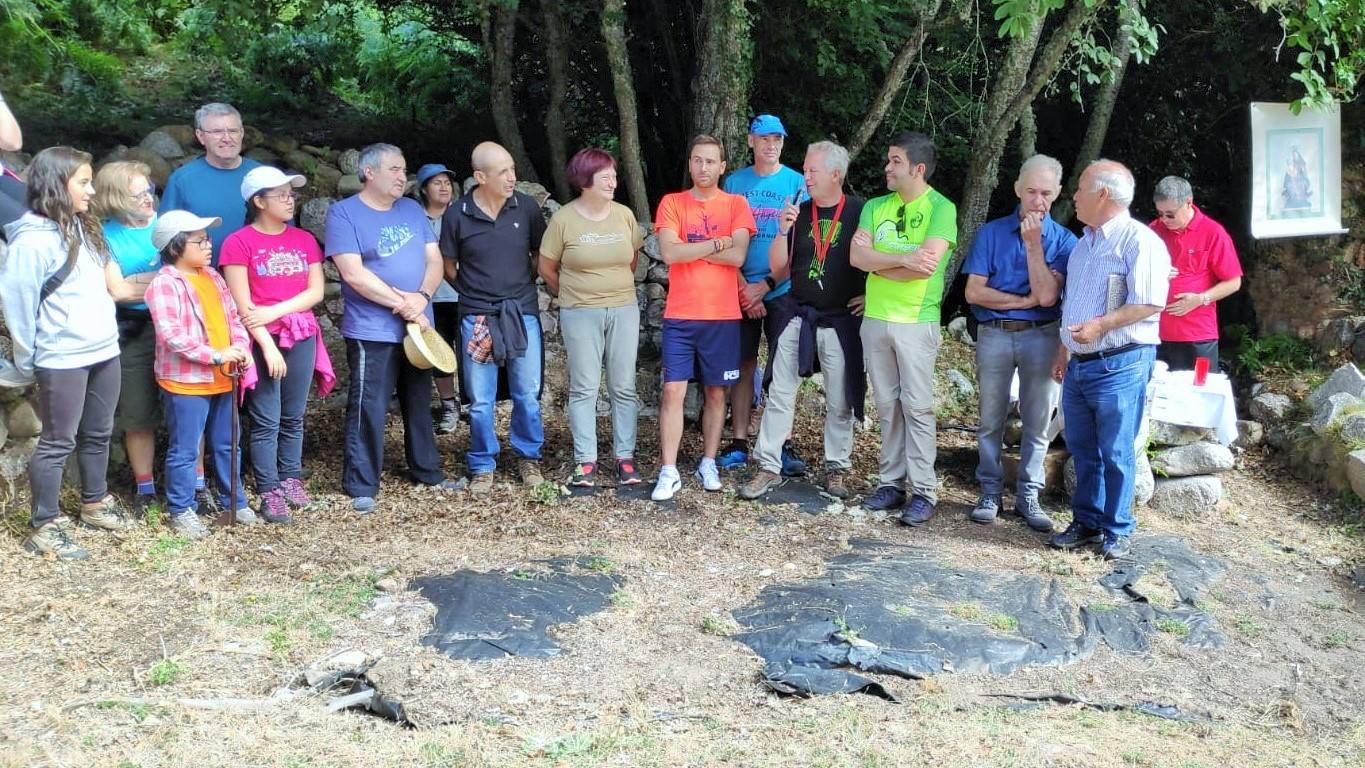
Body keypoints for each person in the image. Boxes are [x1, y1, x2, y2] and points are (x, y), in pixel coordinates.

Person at [0, 147, 129, 560]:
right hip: (62, 356)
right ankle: (43, 525)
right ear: (57, 185)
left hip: (104, 348)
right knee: (57, 442)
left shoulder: (83, 226)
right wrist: (26, 358)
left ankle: (94, 503)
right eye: (84, 182)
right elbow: (17, 304)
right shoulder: (31, 240)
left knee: (99, 431)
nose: (92, 190)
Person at [327, 143, 462, 513]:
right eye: (395, 169)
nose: (403, 177)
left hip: (418, 327)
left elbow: (433, 260)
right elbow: (353, 273)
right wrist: (402, 304)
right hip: (373, 329)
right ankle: (361, 482)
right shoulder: (344, 214)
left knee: (420, 401)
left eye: (404, 170)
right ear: (369, 172)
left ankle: (427, 470)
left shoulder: (411, 209)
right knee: (368, 406)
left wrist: (422, 296)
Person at [1050, 159, 1170, 560]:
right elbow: (1073, 304)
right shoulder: (1084, 244)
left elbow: (1151, 302)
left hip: (1120, 362)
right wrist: (1064, 350)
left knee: (1116, 451)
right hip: (1081, 363)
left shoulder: (1140, 241)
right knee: (1082, 449)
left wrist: (1100, 326)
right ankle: (1086, 522)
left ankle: (1117, 529)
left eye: (1080, 187)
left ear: (1103, 193)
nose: (1074, 195)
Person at [739, 140, 866, 501]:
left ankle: (836, 467)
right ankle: (768, 464)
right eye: (806, 169)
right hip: (799, 313)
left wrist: (871, 294)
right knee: (780, 391)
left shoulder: (860, 211)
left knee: (840, 399)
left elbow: (874, 258)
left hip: (841, 320)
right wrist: (782, 229)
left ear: (836, 174)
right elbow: (779, 268)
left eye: (813, 171)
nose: (805, 176)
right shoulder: (799, 211)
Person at [962, 154, 1076, 532]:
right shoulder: (991, 233)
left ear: (1058, 193)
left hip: (1042, 336)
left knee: (1038, 420)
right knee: (989, 418)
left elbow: (1046, 298)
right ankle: (990, 491)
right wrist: (1020, 301)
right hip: (994, 332)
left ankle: (1029, 493)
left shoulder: (1064, 241)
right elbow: (974, 292)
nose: (1038, 201)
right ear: (1017, 190)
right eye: (1031, 192)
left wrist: (1033, 246)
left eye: (1046, 193)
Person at [850, 131, 957, 525]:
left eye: (895, 161)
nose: (887, 168)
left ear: (918, 168)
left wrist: (881, 260)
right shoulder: (876, 206)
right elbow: (856, 257)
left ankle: (924, 491)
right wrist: (905, 259)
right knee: (886, 406)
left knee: (917, 407)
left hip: (916, 322)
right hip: (876, 319)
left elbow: (927, 265)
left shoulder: (941, 208)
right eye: (888, 160)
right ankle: (891, 483)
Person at [221, 166, 334, 524]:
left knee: (294, 416)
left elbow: (315, 292)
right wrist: (267, 346)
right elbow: (243, 307)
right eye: (282, 195)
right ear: (258, 201)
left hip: (300, 332)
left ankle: (291, 478)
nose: (290, 200)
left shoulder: (304, 240)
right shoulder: (238, 242)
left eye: (291, 194)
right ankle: (269, 487)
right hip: (260, 339)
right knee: (266, 418)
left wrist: (277, 310)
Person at [651, 135, 755, 501]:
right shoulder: (672, 203)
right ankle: (668, 469)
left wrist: (691, 250)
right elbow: (669, 253)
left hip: (722, 316)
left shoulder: (736, 204)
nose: (704, 167)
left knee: (716, 392)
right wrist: (716, 244)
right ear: (690, 163)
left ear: (723, 166)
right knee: (673, 391)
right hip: (680, 314)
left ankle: (708, 461)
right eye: (697, 160)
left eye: (711, 161)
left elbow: (739, 256)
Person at [440, 142, 548, 496]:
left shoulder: (527, 208)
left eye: (513, 169)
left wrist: (518, 289)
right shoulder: (458, 214)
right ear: (480, 176)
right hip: (478, 315)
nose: (512, 177)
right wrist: (476, 293)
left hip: (521, 312)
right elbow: (449, 268)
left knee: (527, 393)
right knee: (481, 398)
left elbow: (538, 255)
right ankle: (483, 464)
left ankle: (528, 457)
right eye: (503, 172)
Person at [146, 210, 256, 539]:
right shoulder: (165, 283)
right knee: (185, 447)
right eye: (201, 240)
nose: (210, 246)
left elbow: (233, 318)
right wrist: (217, 355)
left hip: (224, 377)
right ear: (176, 246)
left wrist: (241, 348)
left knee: (228, 443)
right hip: (186, 382)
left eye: (208, 239)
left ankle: (233, 500)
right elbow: (171, 334)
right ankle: (181, 510)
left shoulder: (213, 277)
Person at [539, 148, 644, 487]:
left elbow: (631, 260)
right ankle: (585, 461)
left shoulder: (624, 215)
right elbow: (547, 268)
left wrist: (611, 289)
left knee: (623, 386)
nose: (614, 181)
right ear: (586, 180)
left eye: (614, 175)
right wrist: (575, 293)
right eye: (606, 177)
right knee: (584, 388)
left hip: (623, 309)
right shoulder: (564, 220)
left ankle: (624, 459)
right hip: (580, 312)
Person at [718, 114, 808, 474]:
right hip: (739, 288)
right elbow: (725, 238)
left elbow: (800, 245)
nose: (771, 145)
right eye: (763, 138)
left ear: (783, 143)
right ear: (751, 141)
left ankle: (780, 443)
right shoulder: (735, 182)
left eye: (777, 139)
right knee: (743, 365)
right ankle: (739, 442)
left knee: (783, 368)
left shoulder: (797, 182)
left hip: (782, 289)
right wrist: (745, 288)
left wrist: (766, 287)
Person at [93, 160, 162, 516]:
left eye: (149, 190)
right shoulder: (104, 234)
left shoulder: (169, 225)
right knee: (137, 412)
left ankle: (195, 482)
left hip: (178, 324)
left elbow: (193, 275)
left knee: (189, 405)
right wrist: (165, 280)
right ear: (116, 198)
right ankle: (145, 489)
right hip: (132, 331)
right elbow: (116, 291)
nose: (149, 199)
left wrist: (138, 283)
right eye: (138, 195)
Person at [1150, 176, 1242, 373]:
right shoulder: (1154, 230)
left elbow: (1234, 282)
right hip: (1154, 331)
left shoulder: (1213, 232)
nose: (1164, 220)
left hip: (1197, 333)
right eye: (1160, 214)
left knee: (1199, 395)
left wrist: (1201, 299)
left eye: (1170, 215)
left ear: (1188, 203)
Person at [160, 102, 262, 259]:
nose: (227, 138)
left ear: (241, 133)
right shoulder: (182, 180)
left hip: (259, 275)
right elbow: (166, 239)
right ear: (201, 136)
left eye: (233, 131)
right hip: (202, 277)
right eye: (217, 132)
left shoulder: (263, 176)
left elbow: (286, 231)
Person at [414, 163, 464, 434]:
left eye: (447, 182)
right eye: (437, 183)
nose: (444, 187)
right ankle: (448, 405)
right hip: (429, 301)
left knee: (471, 353)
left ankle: (471, 404)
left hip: (464, 296)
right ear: (423, 188)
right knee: (438, 354)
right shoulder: (414, 218)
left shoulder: (462, 214)